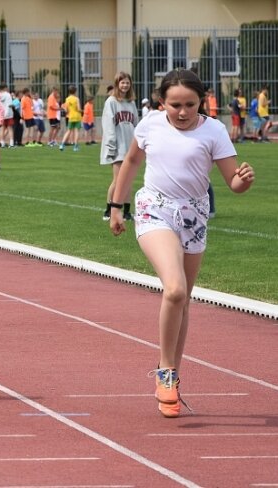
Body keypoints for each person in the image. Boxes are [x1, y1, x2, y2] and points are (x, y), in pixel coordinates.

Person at [109, 69, 255, 418]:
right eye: (175, 105)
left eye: (190, 104)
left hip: (194, 216)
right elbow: (130, 162)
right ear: (163, 102)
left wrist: (243, 182)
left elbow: (231, 182)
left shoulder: (215, 131)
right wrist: (117, 206)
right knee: (174, 290)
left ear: (201, 102)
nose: (183, 112)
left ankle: (173, 374)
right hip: (154, 209)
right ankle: (165, 373)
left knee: (184, 300)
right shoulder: (150, 125)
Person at [101, 71, 139, 221]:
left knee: (128, 180)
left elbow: (136, 124)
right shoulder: (111, 102)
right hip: (117, 147)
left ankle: (127, 212)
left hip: (129, 147)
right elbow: (108, 125)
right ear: (117, 84)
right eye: (122, 82)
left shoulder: (131, 103)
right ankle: (108, 210)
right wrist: (111, 146)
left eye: (127, 82)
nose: (125, 85)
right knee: (117, 180)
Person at [59, 86, 82, 151]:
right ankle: (75, 147)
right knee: (76, 131)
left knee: (69, 131)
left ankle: (62, 145)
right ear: (75, 91)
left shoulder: (67, 99)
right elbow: (79, 109)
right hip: (77, 117)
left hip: (71, 117)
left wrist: (64, 108)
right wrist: (82, 110)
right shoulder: (76, 99)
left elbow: (66, 110)